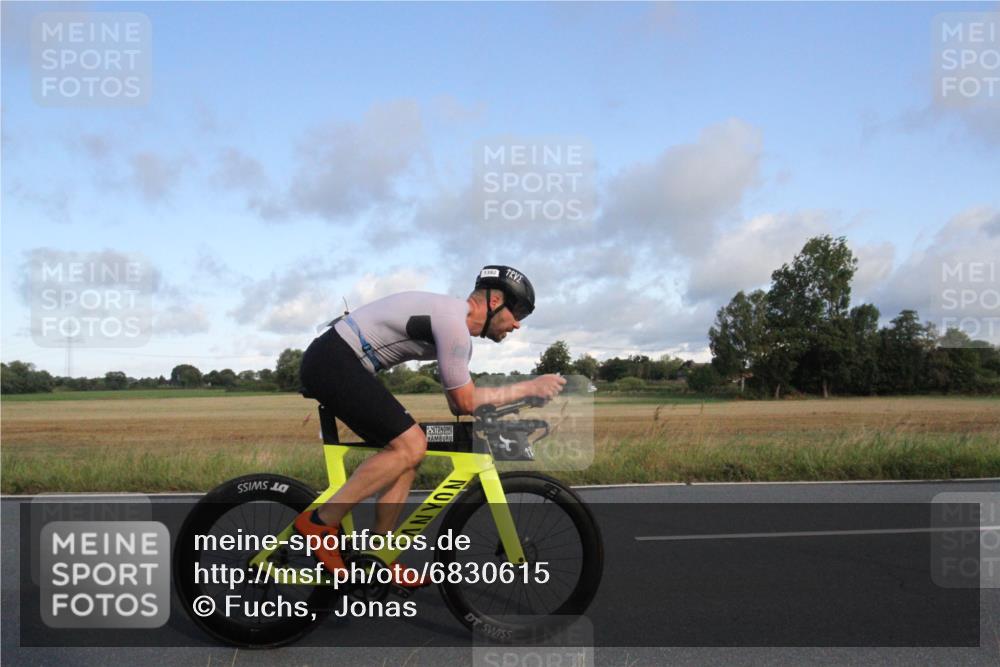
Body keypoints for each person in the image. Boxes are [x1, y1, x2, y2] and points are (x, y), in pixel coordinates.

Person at [293, 265, 566, 586]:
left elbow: (462, 402)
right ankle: (319, 523)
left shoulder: (454, 326)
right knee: (411, 444)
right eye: (518, 311)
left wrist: (514, 400)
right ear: (494, 302)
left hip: (342, 361)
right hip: (334, 361)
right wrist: (528, 388)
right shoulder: (452, 324)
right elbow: (464, 403)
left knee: (409, 451)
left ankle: (381, 557)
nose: (518, 323)